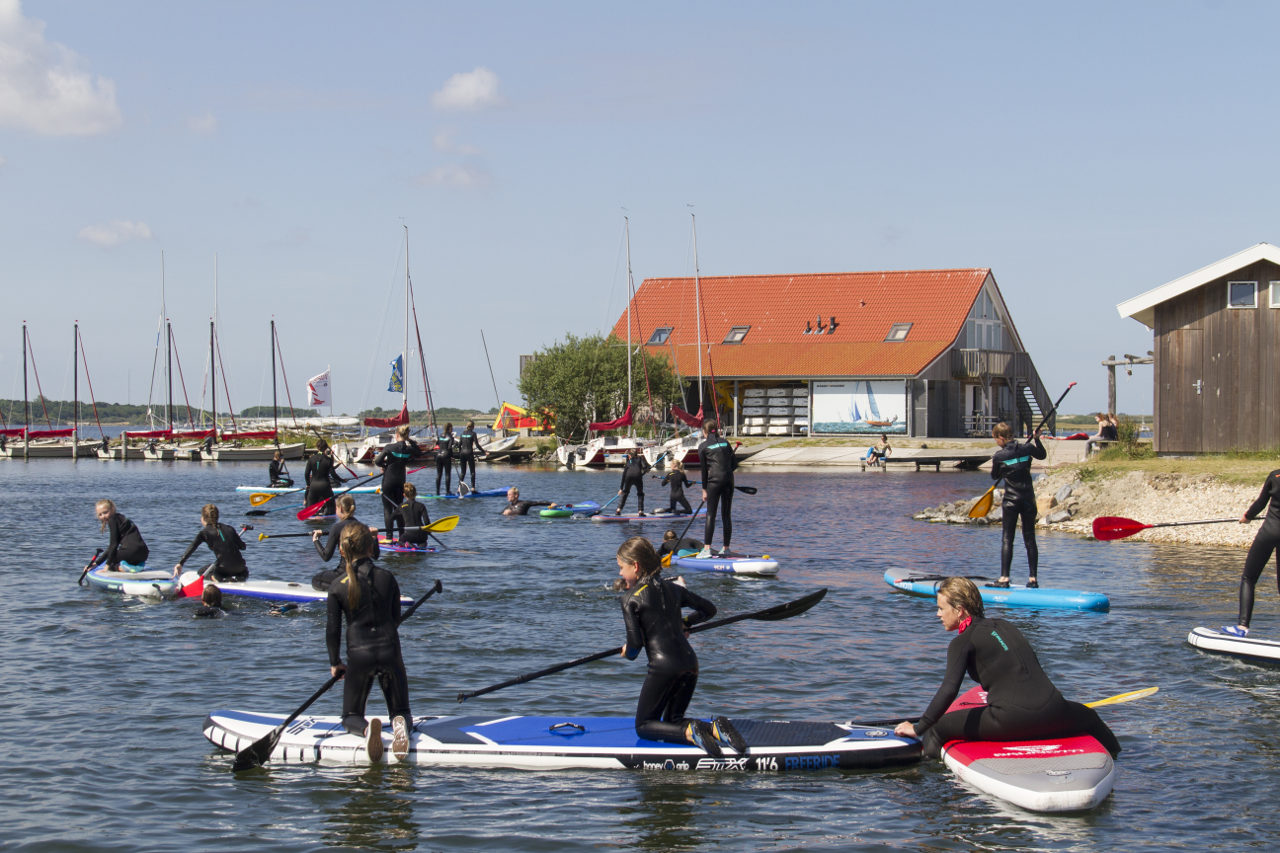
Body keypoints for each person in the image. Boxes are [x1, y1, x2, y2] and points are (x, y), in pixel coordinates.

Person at [893, 577, 1120, 759]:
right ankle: (1118, 760)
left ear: (960, 610)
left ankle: (928, 782)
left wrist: (919, 727)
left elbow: (948, 690)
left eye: (941, 608)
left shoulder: (961, 642)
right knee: (1090, 716)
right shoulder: (1006, 626)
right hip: (1055, 712)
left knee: (938, 728)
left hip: (1010, 721)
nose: (938, 614)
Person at [615, 536, 744, 756]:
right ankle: (714, 728)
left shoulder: (629, 599)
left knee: (644, 726)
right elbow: (709, 610)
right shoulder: (674, 589)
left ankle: (692, 731)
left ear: (635, 566)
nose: (620, 573)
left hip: (663, 668)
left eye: (621, 567)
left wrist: (627, 652)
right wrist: (685, 623)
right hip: (690, 663)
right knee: (673, 720)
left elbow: (635, 647)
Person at [326, 524, 412, 762]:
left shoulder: (337, 586)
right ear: (371, 546)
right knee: (401, 712)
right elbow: (395, 619)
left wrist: (335, 662)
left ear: (342, 551)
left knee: (350, 716)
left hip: (359, 656)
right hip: (389, 652)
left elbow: (333, 630)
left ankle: (366, 730)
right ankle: (400, 726)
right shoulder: (387, 578)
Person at [1223, 468, 1280, 637]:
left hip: (1269, 533)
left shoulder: (1275, 476)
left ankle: (1242, 627)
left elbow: (1261, 503)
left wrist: (1247, 516)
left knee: (1249, 578)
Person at [990, 421, 1047, 588]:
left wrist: (1006, 469)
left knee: (1008, 538)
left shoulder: (999, 456)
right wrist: (1037, 439)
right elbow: (1042, 455)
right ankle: (1033, 579)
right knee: (1030, 538)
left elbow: (994, 476)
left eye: (995, 439)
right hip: (1028, 500)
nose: (996, 442)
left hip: (1011, 501)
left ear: (1001, 437)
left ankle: (1004, 578)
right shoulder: (1027, 448)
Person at [312, 495, 380, 590]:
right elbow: (375, 556)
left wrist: (316, 540)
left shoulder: (336, 528)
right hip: (364, 571)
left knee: (316, 580)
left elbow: (326, 556)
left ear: (340, 508)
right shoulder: (362, 526)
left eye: (336, 508)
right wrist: (375, 538)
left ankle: (344, 588)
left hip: (344, 572)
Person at [173, 504, 248, 582]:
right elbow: (243, 547)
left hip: (223, 570)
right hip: (241, 569)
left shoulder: (204, 533)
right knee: (240, 569)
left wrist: (180, 563)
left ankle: (217, 578)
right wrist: (233, 540)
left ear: (203, 518)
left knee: (201, 571)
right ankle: (238, 578)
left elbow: (192, 547)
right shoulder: (230, 528)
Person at [375, 424, 422, 543]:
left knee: (387, 510)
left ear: (396, 435)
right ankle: (402, 536)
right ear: (406, 436)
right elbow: (419, 452)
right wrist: (410, 440)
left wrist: (385, 466)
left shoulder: (389, 447)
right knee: (399, 508)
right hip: (400, 482)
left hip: (388, 481)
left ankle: (389, 537)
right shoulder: (409, 449)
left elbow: (377, 461)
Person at [697, 419, 737, 557]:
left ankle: (707, 549)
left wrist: (704, 489)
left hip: (714, 482)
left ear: (704, 431)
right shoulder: (726, 442)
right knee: (726, 515)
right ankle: (726, 548)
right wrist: (725, 475)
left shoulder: (703, 446)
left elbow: (704, 471)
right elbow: (734, 464)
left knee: (711, 515)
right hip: (729, 480)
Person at [91, 499, 149, 570]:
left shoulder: (112, 520)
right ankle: (137, 565)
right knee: (112, 556)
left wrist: (107, 566)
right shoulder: (122, 518)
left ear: (112, 509)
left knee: (110, 561)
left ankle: (122, 568)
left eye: (105, 512)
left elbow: (113, 545)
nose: (103, 516)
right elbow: (112, 547)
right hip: (144, 554)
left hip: (131, 552)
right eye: (100, 514)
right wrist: (97, 563)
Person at [304, 439, 338, 516]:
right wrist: (341, 480)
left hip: (313, 486)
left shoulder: (311, 459)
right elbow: (333, 474)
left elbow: (306, 474)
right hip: (325, 486)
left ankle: (312, 518)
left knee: (310, 509)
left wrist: (308, 484)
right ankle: (328, 516)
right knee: (331, 508)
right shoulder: (328, 460)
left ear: (317, 447)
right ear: (326, 448)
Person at [615, 447, 652, 516]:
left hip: (628, 477)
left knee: (625, 493)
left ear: (630, 455)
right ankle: (640, 511)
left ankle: (618, 510)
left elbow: (624, 475)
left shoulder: (629, 462)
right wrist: (647, 469)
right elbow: (645, 467)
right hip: (638, 477)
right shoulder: (640, 458)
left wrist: (621, 488)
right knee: (640, 494)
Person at [455, 420, 488, 494]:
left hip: (462, 454)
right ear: (473, 426)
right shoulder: (473, 433)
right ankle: (473, 488)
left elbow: (459, 445)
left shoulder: (462, 433)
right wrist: (484, 452)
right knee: (472, 472)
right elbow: (477, 445)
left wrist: (460, 452)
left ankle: (459, 489)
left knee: (462, 472)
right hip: (469, 453)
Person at [433, 423, 456, 496]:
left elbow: (437, 444)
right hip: (446, 455)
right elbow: (449, 448)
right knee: (447, 474)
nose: (452, 429)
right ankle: (447, 492)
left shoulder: (440, 435)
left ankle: (437, 492)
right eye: (452, 428)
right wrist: (452, 456)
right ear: (449, 428)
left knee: (439, 474)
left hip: (438, 455)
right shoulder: (450, 437)